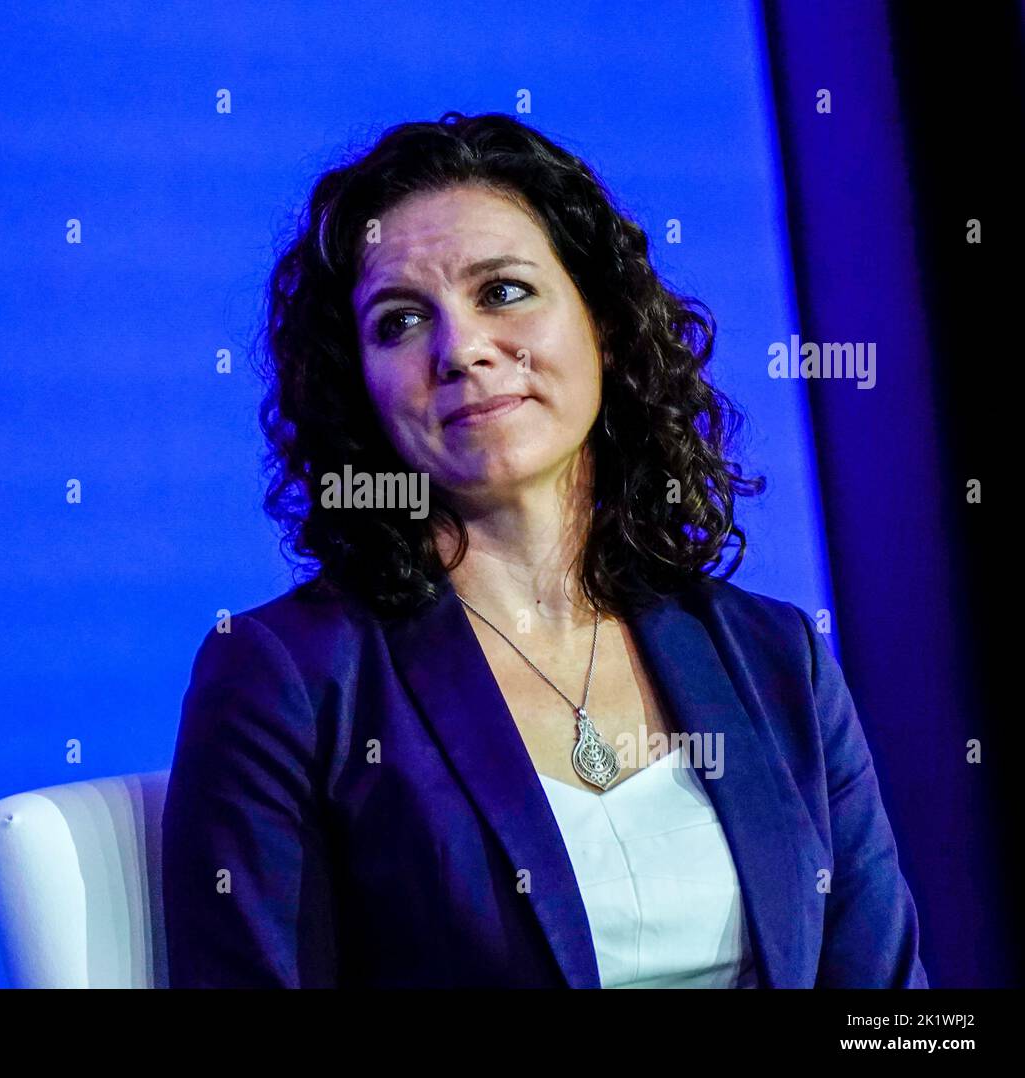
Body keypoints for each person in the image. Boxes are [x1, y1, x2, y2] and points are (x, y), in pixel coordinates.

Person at [160, 111, 927, 989]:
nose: (463, 351)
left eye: (503, 291)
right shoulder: (285, 678)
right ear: (359, 390)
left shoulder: (775, 658)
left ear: (599, 320)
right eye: (401, 321)